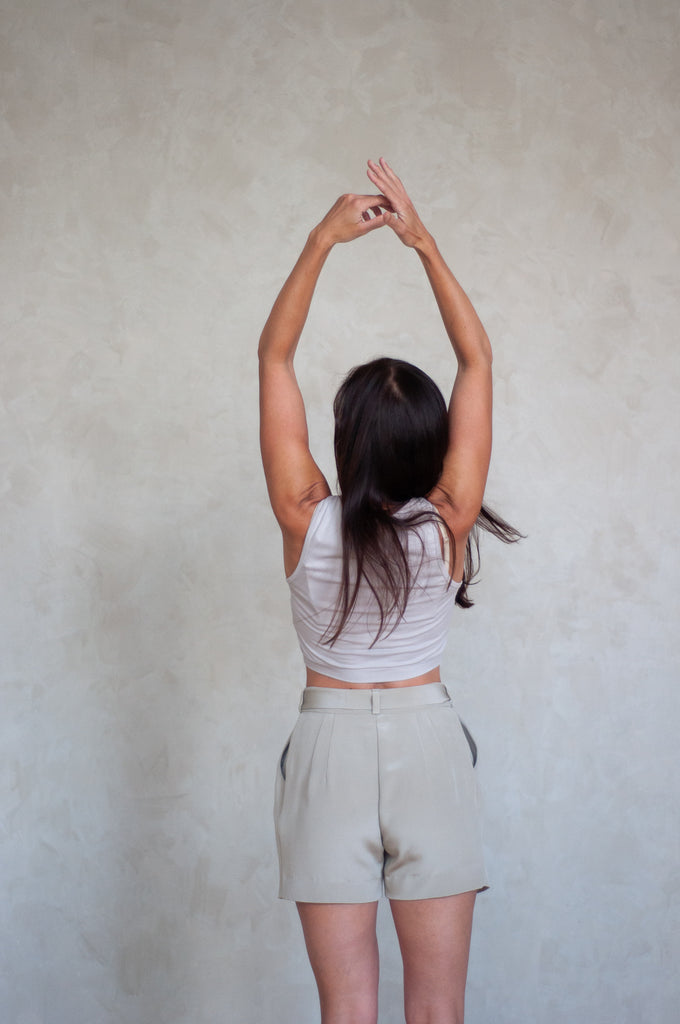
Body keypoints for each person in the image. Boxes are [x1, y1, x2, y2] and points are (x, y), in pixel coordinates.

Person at [258, 158, 520, 1024]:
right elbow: (477, 358)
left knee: (347, 1011)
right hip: (428, 747)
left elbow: (275, 355)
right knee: (438, 1012)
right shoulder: (448, 518)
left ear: (345, 439)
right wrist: (423, 245)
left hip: (326, 751)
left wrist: (321, 242)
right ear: (430, 443)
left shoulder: (305, 516)